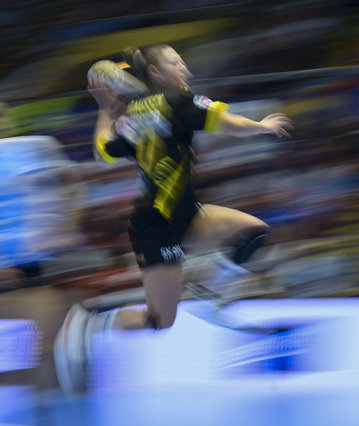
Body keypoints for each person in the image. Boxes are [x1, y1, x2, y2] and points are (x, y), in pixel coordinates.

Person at [55, 44, 292, 393]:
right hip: (159, 224)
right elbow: (230, 124)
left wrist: (104, 110)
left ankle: (210, 290)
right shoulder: (180, 102)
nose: (186, 71)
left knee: (254, 233)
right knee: (160, 320)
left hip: (187, 214)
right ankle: (88, 323)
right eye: (176, 63)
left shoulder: (132, 114)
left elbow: (103, 151)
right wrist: (261, 126)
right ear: (155, 73)